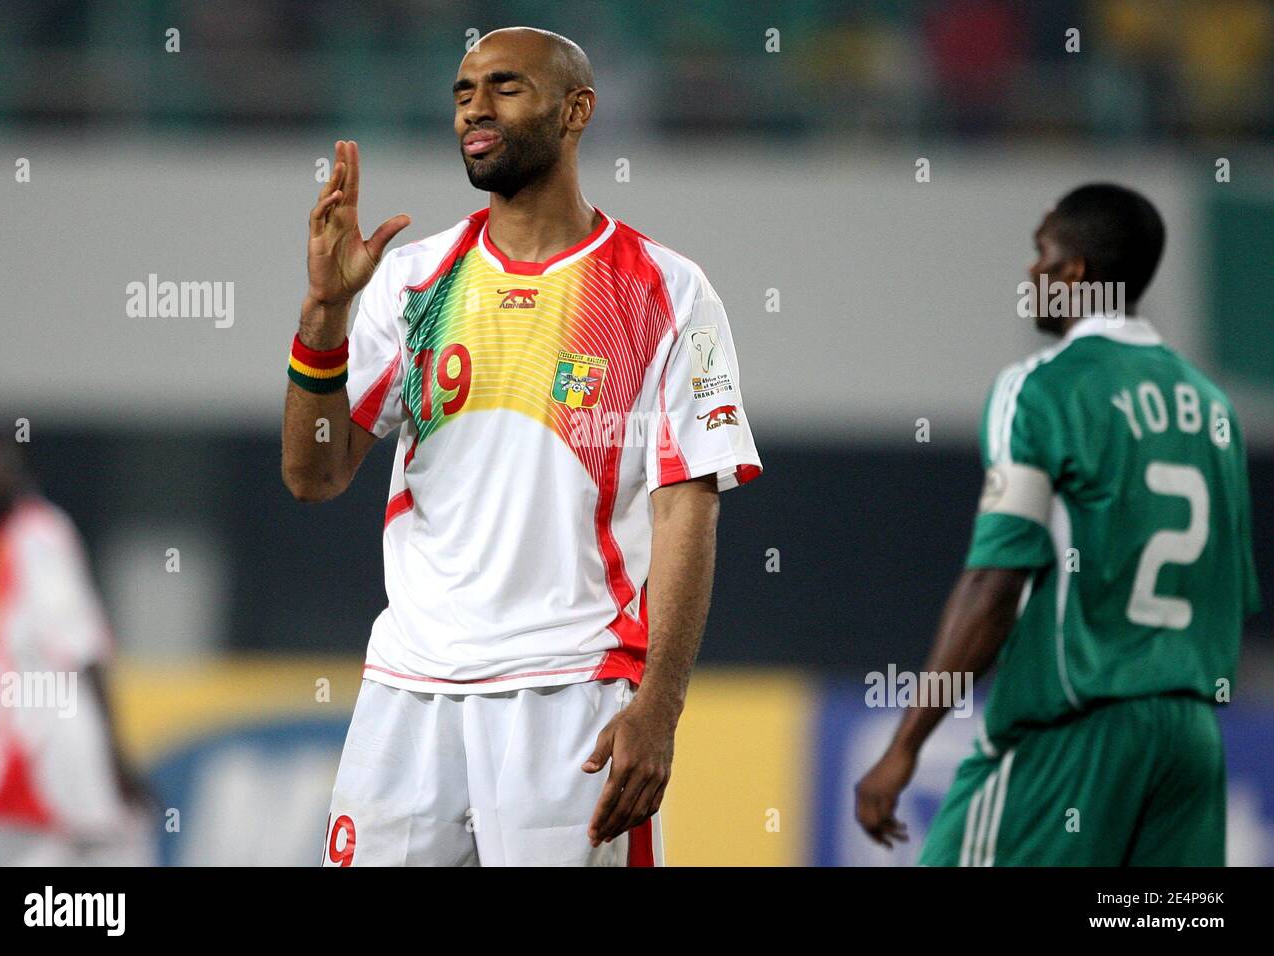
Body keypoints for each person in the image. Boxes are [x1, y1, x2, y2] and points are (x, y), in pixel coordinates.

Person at [281, 27, 762, 866]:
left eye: (505, 87)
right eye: (465, 90)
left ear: (577, 111)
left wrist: (659, 707)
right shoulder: (415, 279)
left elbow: (688, 507)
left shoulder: (667, 290)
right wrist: (324, 317)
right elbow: (313, 473)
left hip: (571, 694)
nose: (475, 106)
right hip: (409, 692)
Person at [855, 183, 1260, 866]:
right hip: (1191, 745)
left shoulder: (1042, 388)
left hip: (1075, 733)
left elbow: (993, 584)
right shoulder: (1214, 407)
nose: (1029, 273)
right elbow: (1232, 590)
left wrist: (905, 746)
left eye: (1040, 252)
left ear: (1073, 272)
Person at [0, 428, 153, 866]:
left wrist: (114, 755)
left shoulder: (38, 534)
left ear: (8, 472)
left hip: (58, 740)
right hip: (22, 738)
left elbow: (83, 644)